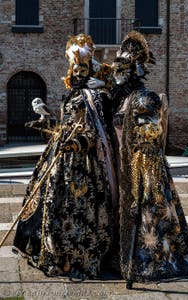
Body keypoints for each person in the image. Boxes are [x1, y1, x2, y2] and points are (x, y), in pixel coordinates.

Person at [12, 33, 117, 280]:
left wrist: (77, 144)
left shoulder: (95, 96)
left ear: (89, 67)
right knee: (50, 202)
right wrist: (47, 125)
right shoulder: (70, 94)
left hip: (84, 162)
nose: (79, 72)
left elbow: (96, 131)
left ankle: (79, 257)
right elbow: (65, 124)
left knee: (81, 207)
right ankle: (55, 252)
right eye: (75, 67)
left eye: (83, 67)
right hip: (61, 156)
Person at [111, 31, 188, 289]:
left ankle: (143, 260)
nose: (117, 75)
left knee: (146, 215)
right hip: (122, 164)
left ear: (134, 70)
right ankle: (121, 254)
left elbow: (152, 135)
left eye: (122, 70)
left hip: (143, 168)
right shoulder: (121, 98)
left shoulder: (145, 98)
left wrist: (141, 166)